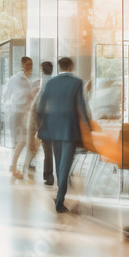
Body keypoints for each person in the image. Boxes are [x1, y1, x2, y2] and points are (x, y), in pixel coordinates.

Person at [35, 57, 91, 213]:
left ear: (59, 67)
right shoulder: (77, 82)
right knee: (65, 165)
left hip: (53, 128)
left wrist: (45, 120)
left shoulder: (51, 83)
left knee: (59, 162)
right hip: (69, 128)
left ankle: (60, 194)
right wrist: (88, 124)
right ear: (71, 67)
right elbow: (81, 104)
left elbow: (40, 106)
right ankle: (60, 199)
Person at [2, 56, 36, 179]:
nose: (29, 67)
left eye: (31, 64)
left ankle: (17, 166)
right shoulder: (15, 79)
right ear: (22, 65)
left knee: (26, 141)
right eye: (27, 65)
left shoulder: (31, 79)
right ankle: (17, 167)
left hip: (27, 114)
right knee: (22, 141)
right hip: (18, 114)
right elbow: (6, 97)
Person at [24, 61, 55, 184]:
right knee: (49, 150)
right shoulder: (51, 82)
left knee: (47, 149)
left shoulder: (44, 84)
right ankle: (49, 175)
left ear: (42, 70)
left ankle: (48, 175)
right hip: (53, 120)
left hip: (45, 120)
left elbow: (39, 106)